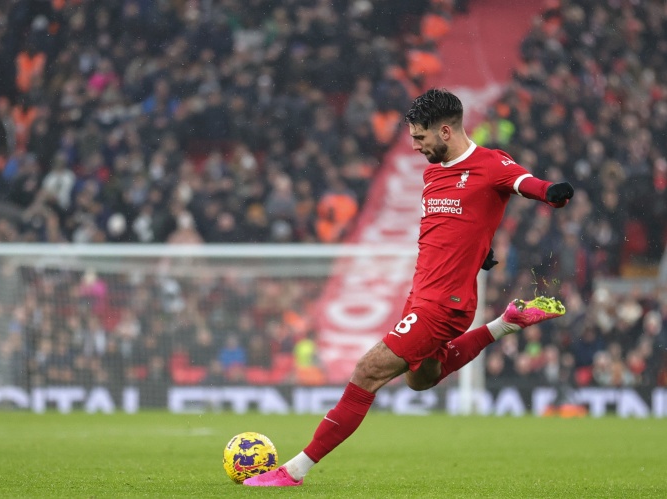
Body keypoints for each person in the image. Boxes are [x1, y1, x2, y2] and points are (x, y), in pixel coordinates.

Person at [244, 88, 574, 487]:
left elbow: (528, 183)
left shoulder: (491, 164)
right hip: (420, 295)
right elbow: (452, 225)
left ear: (446, 131)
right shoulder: (433, 172)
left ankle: (293, 471)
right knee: (420, 379)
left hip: (444, 303)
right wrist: (477, 248)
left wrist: (552, 194)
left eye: (420, 137)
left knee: (367, 371)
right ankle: (506, 323)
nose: (415, 146)